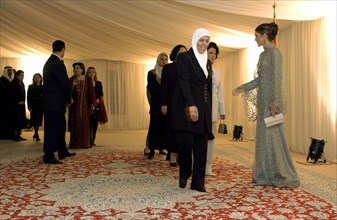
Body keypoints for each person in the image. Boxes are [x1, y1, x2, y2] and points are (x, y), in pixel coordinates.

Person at [232, 22, 300, 188]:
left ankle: (280, 173)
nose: (255, 39)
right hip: (263, 103)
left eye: (256, 36)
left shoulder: (275, 53)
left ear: (264, 36)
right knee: (263, 140)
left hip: (272, 105)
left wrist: (275, 102)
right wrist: (243, 87)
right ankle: (263, 174)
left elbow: (277, 78)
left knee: (274, 139)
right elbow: (260, 80)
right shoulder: (262, 55)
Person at [171, 28, 212, 192]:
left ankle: (198, 183)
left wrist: (209, 111)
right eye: (202, 40)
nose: (204, 44)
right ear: (195, 40)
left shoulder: (207, 62)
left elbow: (207, 88)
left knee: (201, 148)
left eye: (207, 41)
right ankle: (185, 170)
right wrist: (190, 104)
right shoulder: (184, 58)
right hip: (186, 109)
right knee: (186, 143)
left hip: (203, 110)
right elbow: (183, 83)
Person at [43, 40, 76, 164]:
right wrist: (69, 98)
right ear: (63, 49)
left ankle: (62, 150)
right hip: (54, 103)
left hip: (53, 103)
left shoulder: (50, 62)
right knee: (52, 129)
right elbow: (64, 83)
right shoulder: (56, 63)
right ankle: (48, 155)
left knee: (60, 127)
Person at [161, 44, 187, 166]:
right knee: (172, 130)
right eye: (180, 52)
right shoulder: (168, 68)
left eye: (185, 52)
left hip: (185, 105)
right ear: (175, 54)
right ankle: (172, 155)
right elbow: (164, 88)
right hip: (171, 105)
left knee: (183, 132)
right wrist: (164, 104)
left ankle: (181, 155)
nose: (183, 54)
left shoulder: (188, 68)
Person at [206, 42, 225, 176]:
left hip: (213, 108)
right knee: (199, 138)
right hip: (201, 107)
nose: (213, 55)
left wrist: (222, 110)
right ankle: (196, 164)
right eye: (210, 52)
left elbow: (220, 93)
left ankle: (208, 166)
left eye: (214, 53)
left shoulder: (217, 72)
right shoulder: (199, 68)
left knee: (211, 139)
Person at [146, 52, 169, 159]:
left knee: (164, 128)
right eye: (162, 59)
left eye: (166, 59)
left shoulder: (169, 72)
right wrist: (164, 90)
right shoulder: (152, 73)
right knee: (154, 128)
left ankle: (162, 148)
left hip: (167, 105)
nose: (164, 61)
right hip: (156, 105)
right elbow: (152, 88)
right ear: (158, 60)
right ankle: (151, 150)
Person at [68, 62, 96, 149]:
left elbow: (91, 92)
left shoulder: (87, 79)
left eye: (77, 68)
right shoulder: (71, 79)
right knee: (75, 123)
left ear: (82, 69)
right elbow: (68, 92)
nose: (75, 70)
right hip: (74, 105)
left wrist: (93, 103)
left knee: (85, 124)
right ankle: (75, 143)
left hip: (85, 105)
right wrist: (72, 87)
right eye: (74, 68)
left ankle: (85, 143)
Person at [86, 66, 108, 146]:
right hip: (88, 105)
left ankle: (92, 140)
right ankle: (87, 140)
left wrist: (98, 99)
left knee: (94, 123)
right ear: (87, 74)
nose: (91, 73)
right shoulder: (85, 83)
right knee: (88, 124)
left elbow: (101, 93)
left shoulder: (98, 83)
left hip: (96, 105)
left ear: (95, 74)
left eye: (93, 72)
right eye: (90, 72)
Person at [11, 70, 27, 141]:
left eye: (23, 75)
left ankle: (19, 135)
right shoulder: (13, 83)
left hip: (22, 105)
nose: (22, 77)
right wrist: (17, 102)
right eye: (21, 75)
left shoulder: (22, 83)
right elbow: (11, 95)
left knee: (20, 120)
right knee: (15, 120)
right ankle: (15, 136)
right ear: (17, 76)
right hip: (15, 106)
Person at [27, 73, 43, 141]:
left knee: (39, 121)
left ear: (40, 78)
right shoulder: (31, 86)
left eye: (38, 77)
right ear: (33, 79)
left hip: (41, 106)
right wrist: (29, 106)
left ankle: (35, 134)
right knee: (35, 120)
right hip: (34, 106)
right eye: (36, 77)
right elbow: (28, 97)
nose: (37, 79)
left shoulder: (43, 86)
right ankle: (36, 134)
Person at [0, 66, 14, 139]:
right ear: (5, 71)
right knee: (4, 119)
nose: (10, 72)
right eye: (8, 71)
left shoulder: (10, 80)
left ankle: (10, 134)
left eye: (11, 71)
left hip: (10, 104)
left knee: (10, 119)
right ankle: (4, 135)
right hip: (3, 104)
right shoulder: (1, 80)